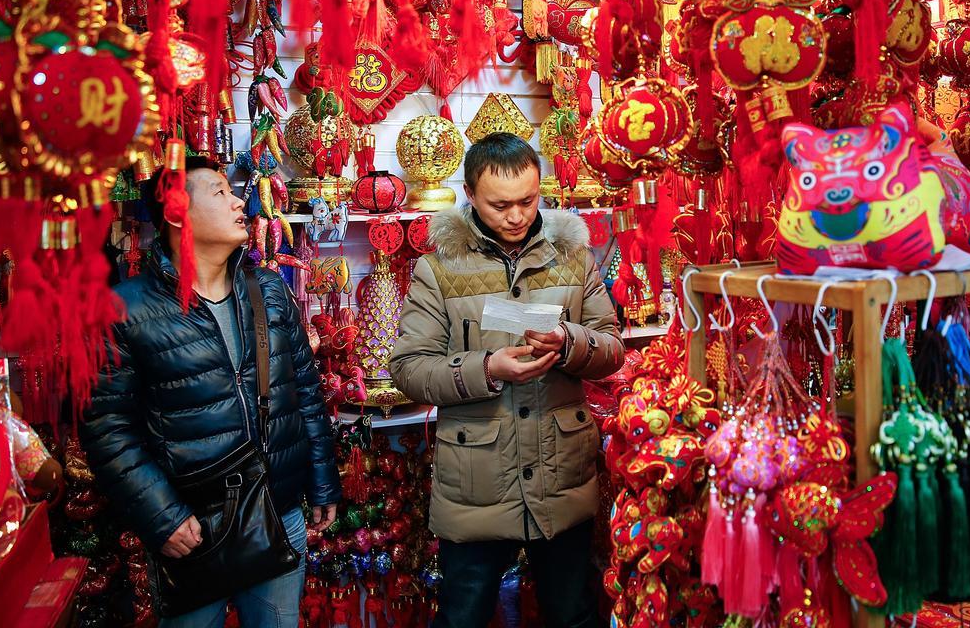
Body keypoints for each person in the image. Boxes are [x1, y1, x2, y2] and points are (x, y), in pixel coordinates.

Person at [80, 157, 339, 627]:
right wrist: (162, 516)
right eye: (220, 193)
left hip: (279, 513)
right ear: (178, 212)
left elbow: (304, 390)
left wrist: (322, 479)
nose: (239, 201)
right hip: (194, 530)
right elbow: (108, 428)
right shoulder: (124, 309)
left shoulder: (268, 291)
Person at [390, 132, 625, 628]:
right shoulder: (439, 269)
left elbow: (611, 349)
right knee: (462, 616)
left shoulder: (573, 258)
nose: (516, 216)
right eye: (500, 205)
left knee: (573, 613)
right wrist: (487, 369)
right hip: (478, 482)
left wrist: (569, 342)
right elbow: (410, 368)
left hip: (561, 474)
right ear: (470, 196)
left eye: (528, 200)